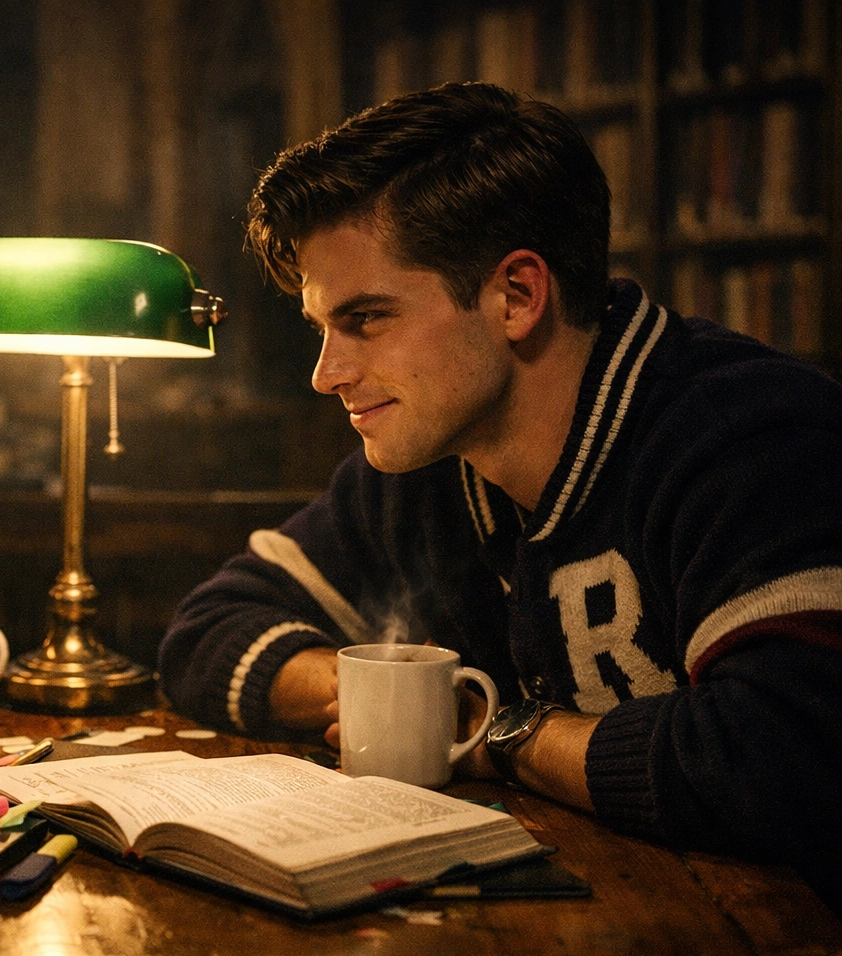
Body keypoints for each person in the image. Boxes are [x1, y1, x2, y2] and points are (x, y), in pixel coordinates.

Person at [159, 82, 842, 904]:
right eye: (320, 328)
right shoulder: (433, 465)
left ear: (517, 296)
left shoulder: (748, 436)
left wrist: (501, 733)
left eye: (367, 320)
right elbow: (204, 633)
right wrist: (400, 703)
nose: (325, 374)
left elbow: (785, 762)